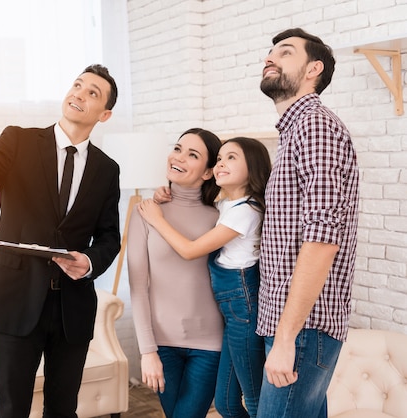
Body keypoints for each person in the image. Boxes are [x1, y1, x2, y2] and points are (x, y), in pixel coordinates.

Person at [0, 49, 122, 418]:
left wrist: (90, 261)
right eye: (77, 85)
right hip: (15, 301)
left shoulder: (107, 169)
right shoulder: (17, 142)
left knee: (63, 409)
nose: (79, 94)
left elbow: (110, 236)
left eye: (92, 93)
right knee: (11, 409)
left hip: (72, 309)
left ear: (105, 114)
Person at [255, 28, 359, 417]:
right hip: (294, 325)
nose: (270, 58)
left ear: (314, 68)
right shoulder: (294, 131)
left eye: (284, 52)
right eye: (269, 53)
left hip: (301, 327)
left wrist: (286, 337)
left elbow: (322, 238)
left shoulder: (314, 126)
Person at [139, 136, 271, 418]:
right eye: (220, 158)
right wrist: (165, 195)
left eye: (231, 158)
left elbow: (189, 250)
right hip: (227, 313)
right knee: (225, 404)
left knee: (255, 398)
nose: (222, 163)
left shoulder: (246, 211)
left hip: (241, 309)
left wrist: (158, 219)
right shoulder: (225, 208)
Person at [127, 128, 224, 418]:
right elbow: (138, 287)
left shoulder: (221, 216)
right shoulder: (144, 211)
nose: (178, 157)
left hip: (210, 344)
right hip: (162, 343)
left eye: (193, 154)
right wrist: (147, 351)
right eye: (178, 148)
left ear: (208, 172)